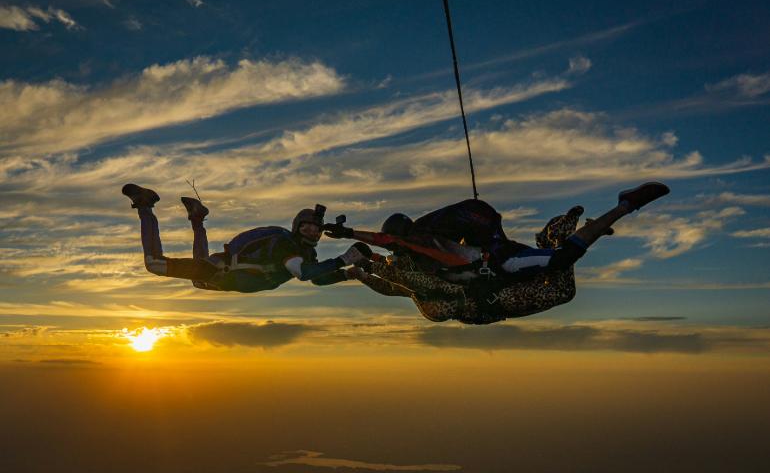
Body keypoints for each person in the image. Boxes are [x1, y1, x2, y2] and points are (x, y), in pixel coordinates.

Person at [329, 182, 670, 323]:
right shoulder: (413, 273)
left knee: (561, 262)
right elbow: (392, 283)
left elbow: (393, 268)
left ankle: (623, 207)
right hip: (495, 299)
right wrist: (358, 271)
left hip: (498, 279)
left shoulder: (425, 255)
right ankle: (557, 235)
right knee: (562, 289)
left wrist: (360, 261)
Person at [121, 184, 368, 293]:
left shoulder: (307, 253)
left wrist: (347, 274)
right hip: (222, 271)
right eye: (307, 228)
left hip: (224, 277)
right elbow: (303, 273)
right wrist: (344, 259)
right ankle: (145, 205)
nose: (313, 232)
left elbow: (317, 279)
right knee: (153, 264)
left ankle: (198, 218)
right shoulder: (286, 245)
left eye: (316, 229)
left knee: (198, 279)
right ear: (297, 227)